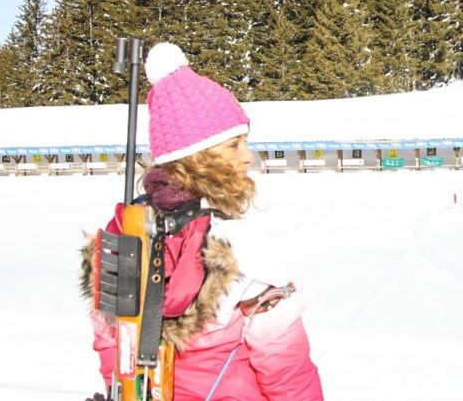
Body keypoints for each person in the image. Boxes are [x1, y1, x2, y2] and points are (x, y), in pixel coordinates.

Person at [82, 42, 323, 401]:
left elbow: (112, 347)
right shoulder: (236, 237)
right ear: (198, 156)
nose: (248, 156)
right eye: (234, 145)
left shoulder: (123, 231)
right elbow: (283, 360)